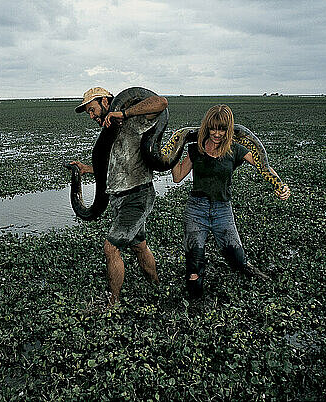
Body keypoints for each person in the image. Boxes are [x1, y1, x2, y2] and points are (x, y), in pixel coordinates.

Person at [171, 104, 290, 299]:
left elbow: (263, 166)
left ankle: (248, 269)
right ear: (206, 127)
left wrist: (280, 185)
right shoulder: (196, 149)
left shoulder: (235, 149)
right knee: (194, 263)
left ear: (229, 129)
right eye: (213, 128)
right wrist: (174, 151)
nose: (217, 134)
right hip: (196, 210)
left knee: (237, 259)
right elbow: (177, 177)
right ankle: (194, 302)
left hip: (222, 210)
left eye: (222, 129)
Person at [70, 87, 168, 305]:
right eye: (88, 113)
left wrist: (124, 113)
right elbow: (117, 165)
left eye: (93, 110)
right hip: (119, 198)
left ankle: (112, 303)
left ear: (105, 102)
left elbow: (161, 103)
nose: (92, 116)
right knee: (139, 245)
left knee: (111, 247)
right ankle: (156, 285)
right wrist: (87, 169)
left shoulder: (133, 121)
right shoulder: (110, 131)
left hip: (137, 195)